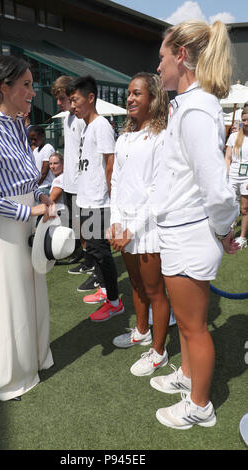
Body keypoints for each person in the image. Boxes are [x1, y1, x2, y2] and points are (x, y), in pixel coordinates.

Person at [148, 20, 239, 429]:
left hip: (190, 234)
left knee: (193, 327)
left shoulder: (197, 109)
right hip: (180, 232)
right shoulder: (188, 105)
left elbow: (217, 189)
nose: (159, 65)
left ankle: (199, 406)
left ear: (181, 56)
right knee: (186, 324)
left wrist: (224, 230)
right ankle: (186, 376)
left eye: (163, 57)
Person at [0, 55, 56, 401]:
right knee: (13, 297)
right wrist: (26, 210)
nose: (33, 92)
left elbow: (28, 178)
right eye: (27, 85)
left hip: (30, 216)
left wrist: (42, 200)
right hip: (7, 225)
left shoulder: (19, 126)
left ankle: (35, 359)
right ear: (5, 87)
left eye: (33, 84)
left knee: (35, 290)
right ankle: (11, 376)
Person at [107, 72, 171, 375]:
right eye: (129, 94)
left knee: (155, 289)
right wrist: (117, 223)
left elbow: (160, 191)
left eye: (137, 94)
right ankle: (141, 331)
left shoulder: (162, 137)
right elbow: (117, 182)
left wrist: (132, 229)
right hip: (125, 225)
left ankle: (159, 351)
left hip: (150, 227)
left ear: (153, 98)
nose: (130, 99)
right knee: (134, 283)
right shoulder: (124, 137)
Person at [66, 75, 124, 321]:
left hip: (99, 202)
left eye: (75, 100)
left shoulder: (101, 125)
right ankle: (103, 290)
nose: (72, 106)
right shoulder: (87, 126)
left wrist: (110, 197)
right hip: (87, 198)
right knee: (93, 249)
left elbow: (110, 162)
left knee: (102, 253)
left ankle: (114, 301)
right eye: (70, 101)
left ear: (90, 98)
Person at [51, 76, 88, 272]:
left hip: (80, 183)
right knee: (74, 222)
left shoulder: (82, 120)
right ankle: (81, 254)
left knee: (86, 224)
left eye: (62, 98)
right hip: (69, 181)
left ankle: (89, 259)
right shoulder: (67, 118)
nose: (58, 103)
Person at [225, 106, 248, 249]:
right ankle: (229, 233)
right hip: (232, 176)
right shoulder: (234, 136)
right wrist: (227, 175)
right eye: (244, 120)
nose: (246, 123)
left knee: (245, 209)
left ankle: (242, 237)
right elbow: (227, 158)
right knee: (231, 206)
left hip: (247, 178)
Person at [29, 125, 55, 195]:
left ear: (42, 136)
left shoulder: (48, 148)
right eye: (31, 139)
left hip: (45, 187)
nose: (33, 142)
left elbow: (44, 172)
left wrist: (35, 185)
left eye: (35, 139)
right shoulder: (35, 150)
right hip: (38, 188)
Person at [49, 151, 66, 219]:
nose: (52, 166)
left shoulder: (59, 179)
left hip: (60, 215)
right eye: (50, 164)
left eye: (55, 163)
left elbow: (51, 201)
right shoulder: (64, 177)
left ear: (62, 164)